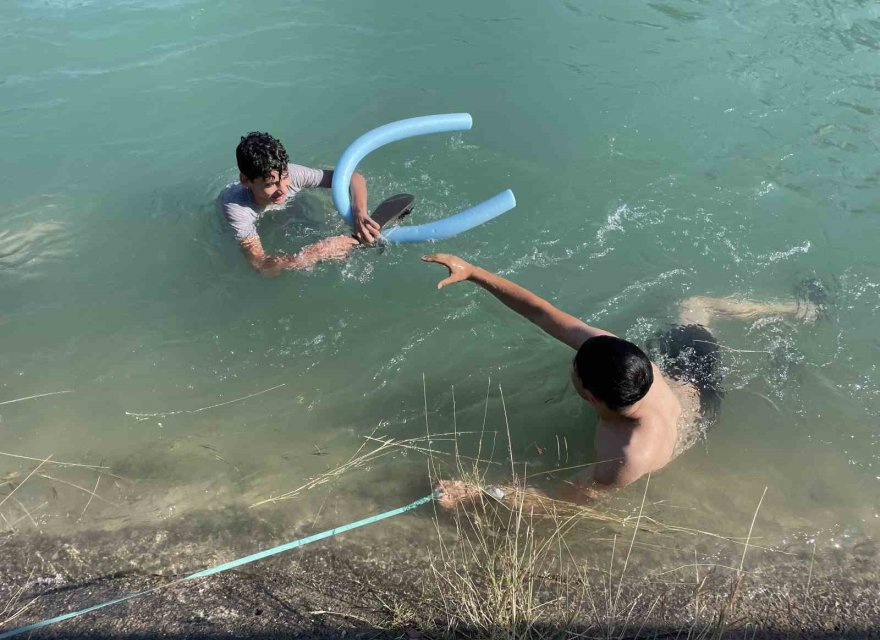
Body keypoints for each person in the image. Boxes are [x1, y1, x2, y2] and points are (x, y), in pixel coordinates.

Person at [422, 254, 822, 509]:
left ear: (592, 398)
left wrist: (476, 494)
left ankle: (798, 311)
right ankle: (797, 309)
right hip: (687, 379)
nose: (574, 363)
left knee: (695, 311)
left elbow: (561, 503)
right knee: (693, 307)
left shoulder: (624, 457)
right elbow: (543, 314)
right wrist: (473, 272)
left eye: (575, 371)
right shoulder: (621, 357)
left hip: (699, 412)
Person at [221, 132, 382, 275]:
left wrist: (359, 212)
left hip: (294, 209)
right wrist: (315, 253)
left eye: (284, 177)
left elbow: (354, 179)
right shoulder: (237, 209)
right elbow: (262, 266)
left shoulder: (293, 174)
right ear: (245, 180)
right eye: (270, 184)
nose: (283, 189)